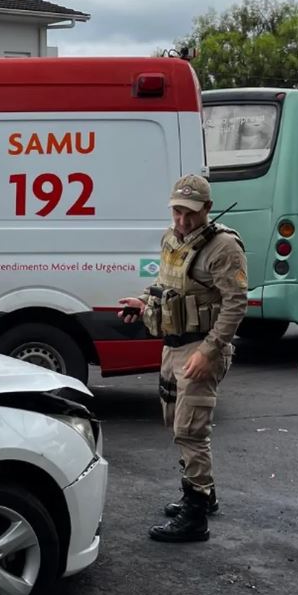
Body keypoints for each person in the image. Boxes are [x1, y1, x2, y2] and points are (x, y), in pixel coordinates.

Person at [119, 174, 248, 543]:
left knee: (190, 430)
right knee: (174, 420)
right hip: (173, 345)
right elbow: (166, 285)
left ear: (207, 208)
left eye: (190, 213)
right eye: (177, 211)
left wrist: (210, 351)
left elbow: (236, 304)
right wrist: (143, 302)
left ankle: (195, 517)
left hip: (201, 348)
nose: (183, 220)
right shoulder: (171, 239)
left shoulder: (224, 247)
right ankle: (203, 493)